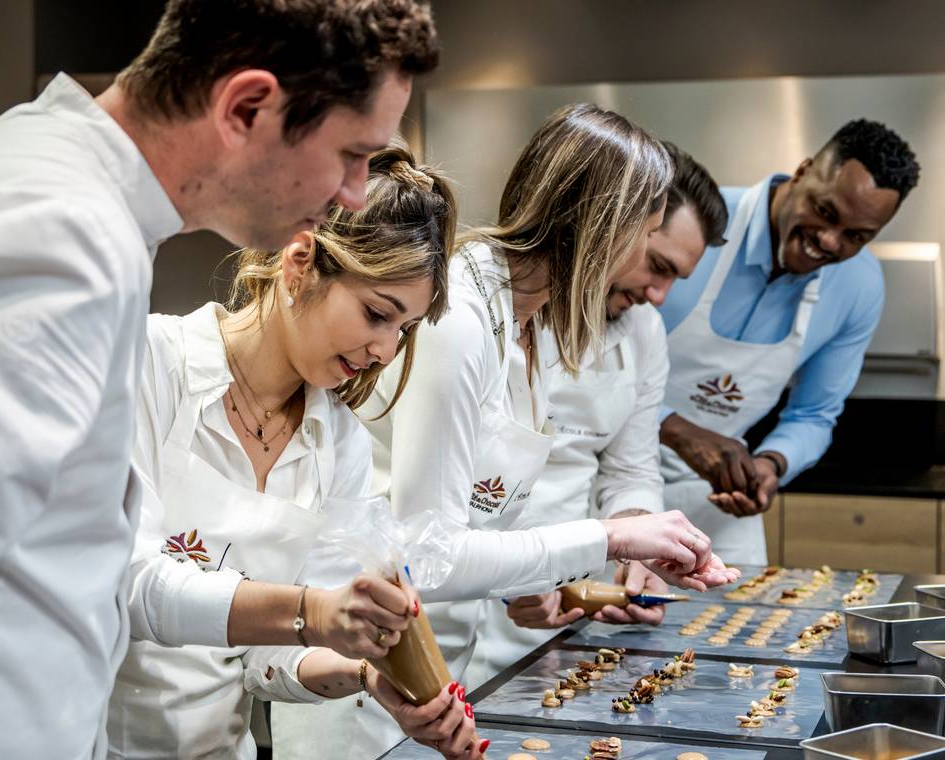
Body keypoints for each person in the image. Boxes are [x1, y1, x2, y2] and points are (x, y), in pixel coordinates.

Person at [0, 1, 439, 757]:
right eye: (352, 155)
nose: (356, 194)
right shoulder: (64, 226)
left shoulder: (79, 201)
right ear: (249, 106)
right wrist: (307, 609)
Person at [274, 104, 739, 760]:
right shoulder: (460, 317)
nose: (648, 272)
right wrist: (608, 537)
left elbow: (477, 511)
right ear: (603, 227)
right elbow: (425, 557)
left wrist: (527, 583)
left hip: (442, 662)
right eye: (649, 237)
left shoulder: (537, 322)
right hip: (362, 675)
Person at [108, 147, 486, 760]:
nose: (386, 351)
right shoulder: (153, 364)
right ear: (300, 262)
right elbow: (131, 587)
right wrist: (312, 610)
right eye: (376, 314)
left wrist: (369, 676)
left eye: (403, 330)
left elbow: (266, 661)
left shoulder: (337, 440)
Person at [467, 144, 730, 685]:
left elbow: (630, 467)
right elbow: (436, 511)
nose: (658, 294)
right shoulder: (489, 312)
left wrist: (640, 548)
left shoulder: (642, 332)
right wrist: (513, 578)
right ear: (612, 228)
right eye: (654, 264)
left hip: (557, 616)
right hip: (454, 604)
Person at [657, 119, 920, 565]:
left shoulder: (859, 285)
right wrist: (678, 430)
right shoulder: (696, 222)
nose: (829, 241)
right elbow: (594, 364)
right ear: (801, 172)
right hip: (612, 480)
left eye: (857, 236)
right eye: (826, 211)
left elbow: (815, 415)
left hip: (717, 501)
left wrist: (771, 464)